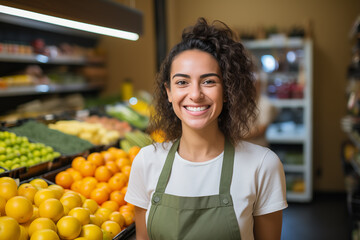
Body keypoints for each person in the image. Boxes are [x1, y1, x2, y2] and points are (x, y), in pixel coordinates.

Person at [125, 17, 288, 240]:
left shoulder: (263, 165)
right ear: (169, 92)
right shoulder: (146, 161)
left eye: (209, 81)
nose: (195, 94)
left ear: (227, 90)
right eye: (182, 82)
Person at [245, 72, 279, 147]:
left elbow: (261, 129)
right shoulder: (241, 102)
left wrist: (238, 137)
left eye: (255, 84)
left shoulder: (266, 104)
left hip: (258, 147)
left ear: (260, 85)